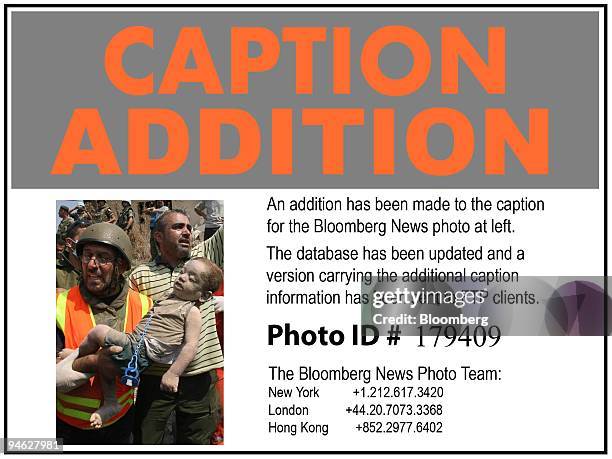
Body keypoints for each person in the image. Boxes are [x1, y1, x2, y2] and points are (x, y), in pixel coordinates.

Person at [69, 258, 219, 429]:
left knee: (99, 332)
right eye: (183, 271)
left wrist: (173, 373)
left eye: (192, 279)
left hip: (142, 351)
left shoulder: (192, 312)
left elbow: (190, 346)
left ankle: (76, 356)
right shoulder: (168, 296)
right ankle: (110, 402)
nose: (183, 277)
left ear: (205, 295)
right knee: (106, 360)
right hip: (135, 342)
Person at [129, 209, 224, 444]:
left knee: (197, 443)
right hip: (155, 380)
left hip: (200, 382)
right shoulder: (140, 275)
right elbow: (130, 324)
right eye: (178, 227)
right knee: (147, 442)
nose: (187, 232)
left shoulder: (204, 257)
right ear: (158, 236)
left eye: (189, 227)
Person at [55, 223, 152, 444]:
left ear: (121, 265)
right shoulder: (59, 304)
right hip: (67, 429)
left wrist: (75, 357)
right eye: (87, 255)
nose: (91, 265)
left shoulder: (144, 305)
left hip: (122, 422)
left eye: (103, 258)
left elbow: (147, 359)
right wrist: (95, 360)